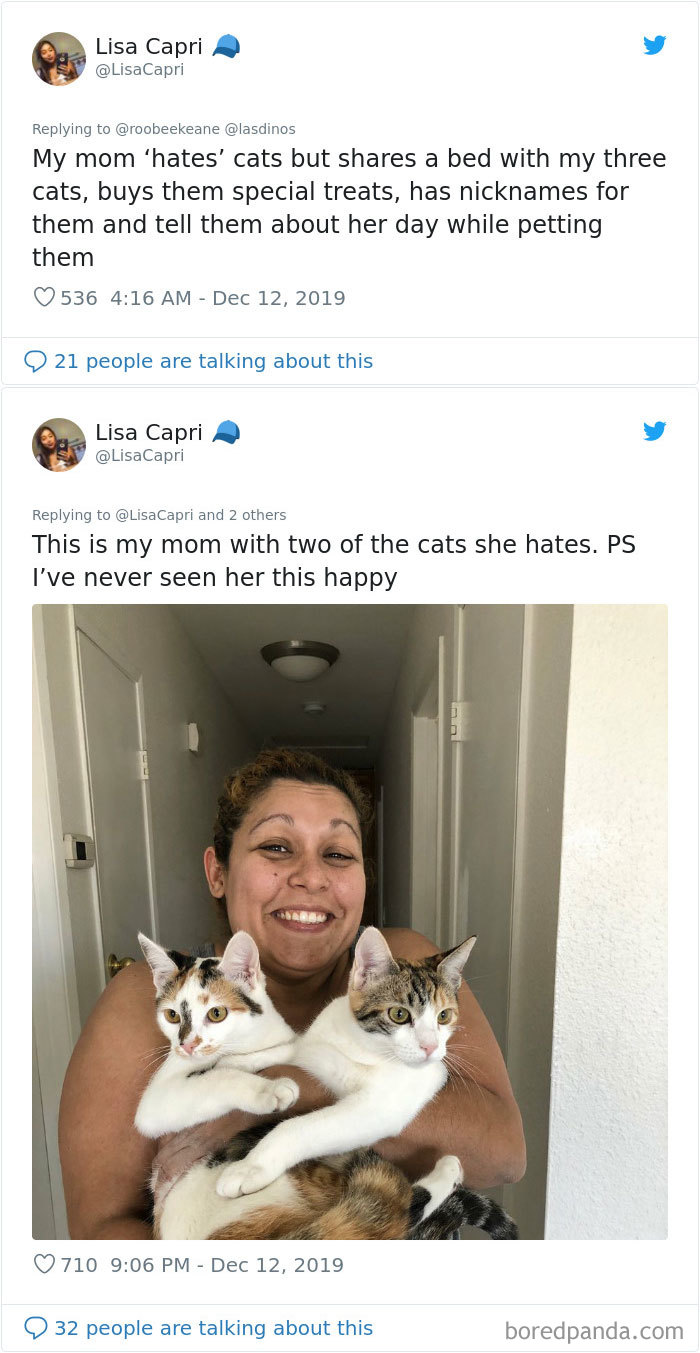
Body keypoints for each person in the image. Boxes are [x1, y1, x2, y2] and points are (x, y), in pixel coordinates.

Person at [59, 748, 526, 1239]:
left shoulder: (406, 969)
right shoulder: (151, 1000)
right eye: (277, 847)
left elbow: (503, 1156)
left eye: (338, 854)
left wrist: (285, 1090)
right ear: (218, 873)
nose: (312, 877)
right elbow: (101, 1229)